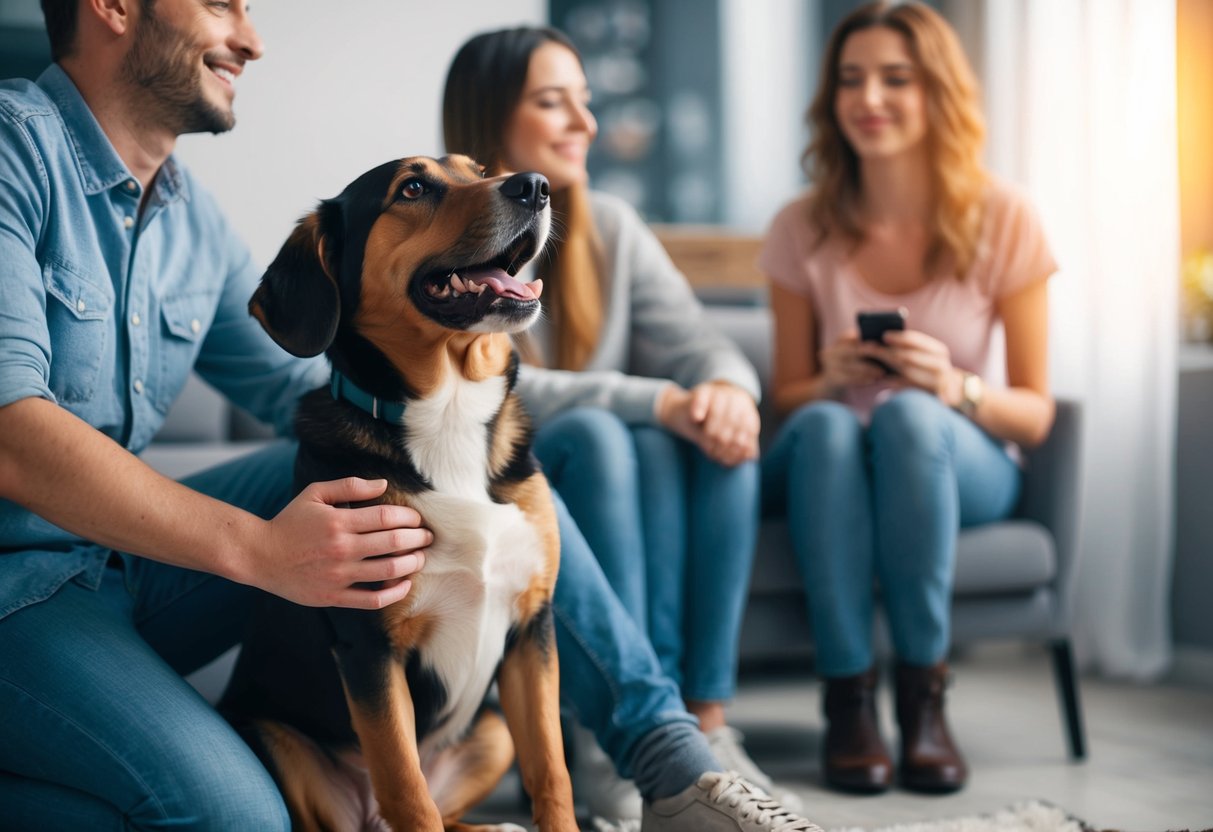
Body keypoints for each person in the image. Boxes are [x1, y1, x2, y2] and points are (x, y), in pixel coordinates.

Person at [0, 3, 821, 830]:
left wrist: (489, 413)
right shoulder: (11, 150)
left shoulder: (189, 218)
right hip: (19, 587)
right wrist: (260, 550)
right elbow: (13, 438)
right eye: (223, 4)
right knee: (239, 817)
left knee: (485, 486)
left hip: (120, 565)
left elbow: (323, 391)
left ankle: (670, 763)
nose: (251, 40)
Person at [442, 25, 797, 821]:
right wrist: (655, 400)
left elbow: (703, 345)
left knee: (711, 439)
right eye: (552, 102)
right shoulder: (444, 234)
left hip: (596, 457)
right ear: (490, 117)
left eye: (585, 102)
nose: (584, 123)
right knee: (611, 433)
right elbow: (501, 380)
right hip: (489, 480)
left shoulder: (608, 226)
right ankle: (609, 740)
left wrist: (726, 391)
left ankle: (701, 723)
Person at [759, 1, 1057, 796]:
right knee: (824, 425)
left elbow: (1033, 410)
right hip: (831, 456)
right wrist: (827, 378)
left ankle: (924, 703)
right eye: (851, 79)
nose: (870, 98)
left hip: (953, 455)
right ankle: (848, 704)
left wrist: (952, 385)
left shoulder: (1005, 217)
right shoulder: (799, 226)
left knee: (908, 416)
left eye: (896, 78)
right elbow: (788, 401)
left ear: (936, 94)